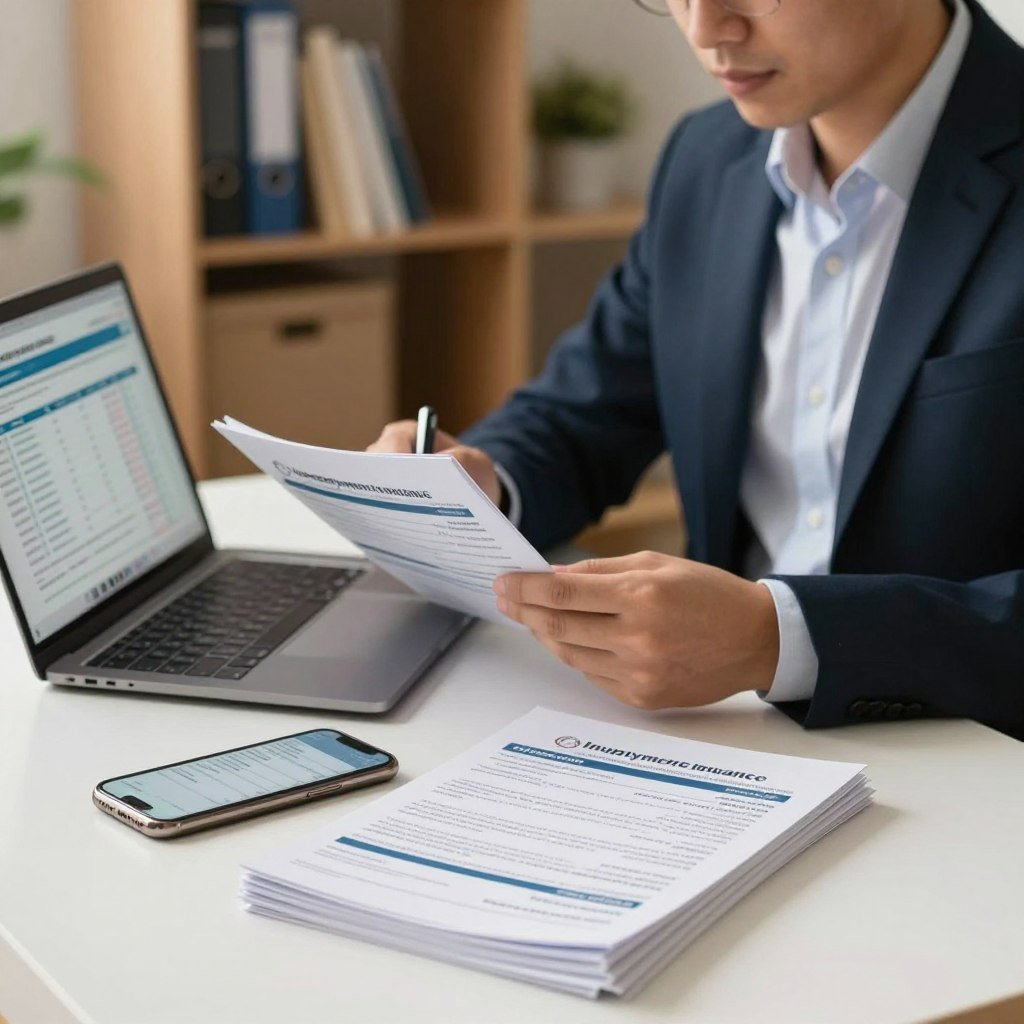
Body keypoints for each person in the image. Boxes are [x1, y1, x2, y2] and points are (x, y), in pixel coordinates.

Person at [369, 0, 1024, 739]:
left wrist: (778, 640)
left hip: (972, 759)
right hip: (719, 734)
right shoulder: (707, 159)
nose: (707, 30)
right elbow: (590, 407)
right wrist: (485, 480)